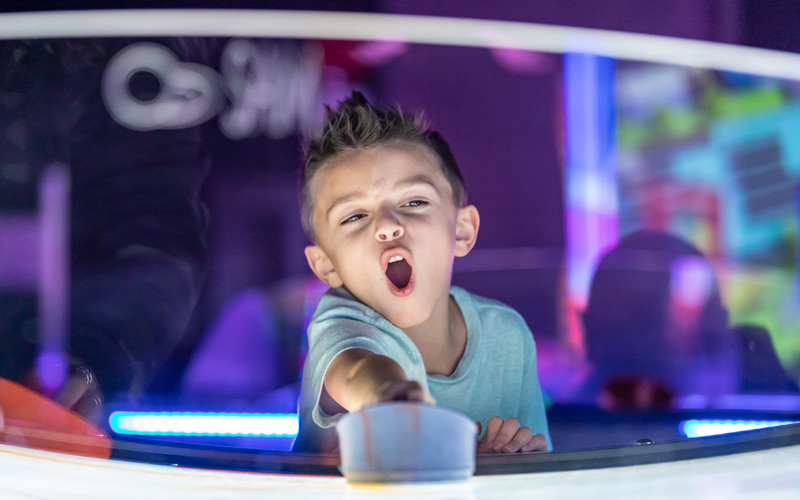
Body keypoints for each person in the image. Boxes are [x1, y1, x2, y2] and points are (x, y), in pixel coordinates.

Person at [292, 91, 550, 453]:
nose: (387, 226)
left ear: (461, 230)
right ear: (326, 265)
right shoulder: (341, 325)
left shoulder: (507, 335)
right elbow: (357, 371)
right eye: (354, 216)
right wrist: (393, 400)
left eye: (414, 201)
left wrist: (509, 463)